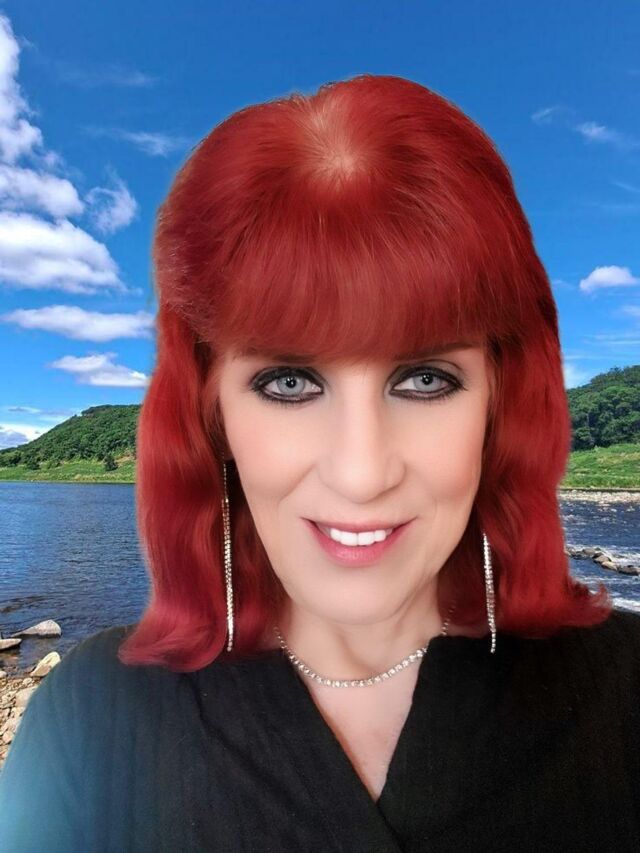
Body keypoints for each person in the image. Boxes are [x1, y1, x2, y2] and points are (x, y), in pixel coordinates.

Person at [1, 73, 639, 853]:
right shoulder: (88, 724)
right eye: (290, 382)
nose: (362, 473)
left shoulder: (627, 694)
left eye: (424, 379)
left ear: (498, 406)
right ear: (212, 414)